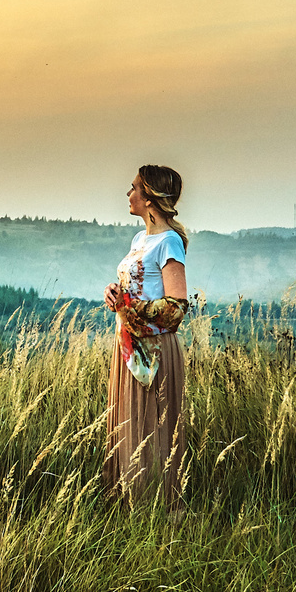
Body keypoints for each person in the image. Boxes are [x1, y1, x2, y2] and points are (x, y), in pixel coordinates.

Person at [103, 164, 190, 500]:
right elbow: (138, 285)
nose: (129, 193)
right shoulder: (140, 238)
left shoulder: (170, 241)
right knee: (129, 423)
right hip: (128, 344)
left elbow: (176, 308)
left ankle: (157, 508)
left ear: (150, 197)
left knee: (152, 428)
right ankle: (127, 503)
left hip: (153, 349)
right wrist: (115, 291)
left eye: (134, 187)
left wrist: (131, 308)